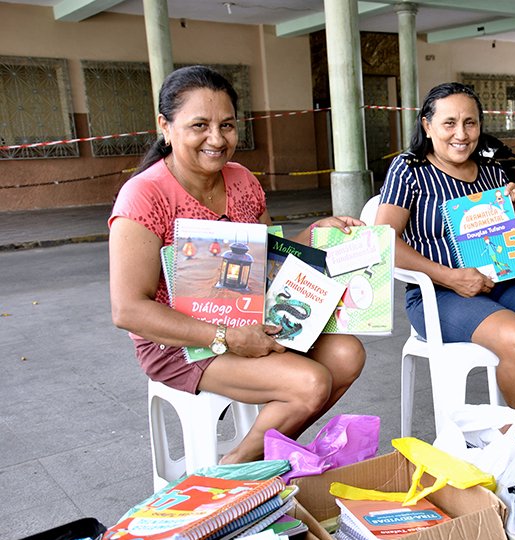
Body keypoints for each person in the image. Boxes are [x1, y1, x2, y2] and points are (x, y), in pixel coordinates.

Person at [108, 65, 366, 464]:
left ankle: (261, 455)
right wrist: (226, 336)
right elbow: (129, 310)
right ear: (165, 125)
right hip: (179, 342)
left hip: (250, 319)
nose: (216, 138)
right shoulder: (144, 196)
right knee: (310, 383)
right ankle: (232, 475)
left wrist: (316, 234)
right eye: (199, 125)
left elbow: (268, 257)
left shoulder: (242, 179)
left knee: (348, 355)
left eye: (226, 125)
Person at [376, 82, 515, 441]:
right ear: (427, 126)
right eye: (449, 122)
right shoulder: (409, 170)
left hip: (503, 284)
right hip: (439, 295)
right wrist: (450, 277)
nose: (461, 133)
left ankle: (509, 424)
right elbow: (383, 240)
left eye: (470, 123)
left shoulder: (492, 173)